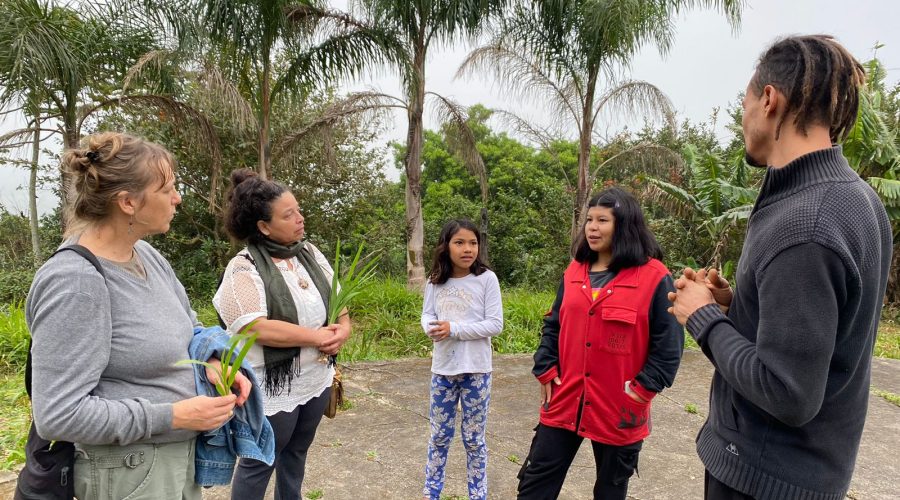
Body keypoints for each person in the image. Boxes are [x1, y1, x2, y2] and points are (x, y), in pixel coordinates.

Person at [668, 34, 893, 500]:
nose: (743, 118)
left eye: (745, 102)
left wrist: (703, 318)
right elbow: (824, 334)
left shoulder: (807, 221)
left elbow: (789, 392)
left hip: (765, 479)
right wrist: (738, 306)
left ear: (769, 99)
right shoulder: (857, 199)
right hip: (802, 473)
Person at [26, 132, 249, 499]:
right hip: (127, 473)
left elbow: (189, 325)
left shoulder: (146, 255)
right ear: (127, 202)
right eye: (168, 189)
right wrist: (173, 416)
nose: (177, 199)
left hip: (173, 463)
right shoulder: (75, 282)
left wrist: (209, 360)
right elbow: (58, 415)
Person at [517, 187, 683, 500]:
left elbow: (669, 346)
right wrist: (544, 365)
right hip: (565, 400)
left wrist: (642, 390)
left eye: (602, 220)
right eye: (589, 220)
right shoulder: (574, 272)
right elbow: (553, 324)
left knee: (610, 491)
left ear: (624, 225)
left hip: (619, 409)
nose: (592, 227)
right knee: (534, 486)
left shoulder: (654, 277)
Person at [213, 168, 351, 500]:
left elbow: (340, 303)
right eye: (289, 215)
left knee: (297, 453)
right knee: (260, 462)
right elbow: (253, 326)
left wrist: (342, 331)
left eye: (298, 210)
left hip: (315, 377)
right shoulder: (243, 267)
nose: (300, 219)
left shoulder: (309, 254)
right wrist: (316, 337)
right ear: (263, 226)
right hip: (273, 387)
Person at [421, 219, 503, 500]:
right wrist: (430, 327)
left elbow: (495, 324)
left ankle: (477, 494)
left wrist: (453, 329)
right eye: (460, 243)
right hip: (442, 371)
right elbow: (427, 314)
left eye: (473, 243)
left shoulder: (486, 279)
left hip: (477, 371)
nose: (468, 249)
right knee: (439, 436)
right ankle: (431, 492)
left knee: (474, 439)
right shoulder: (434, 281)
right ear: (446, 247)